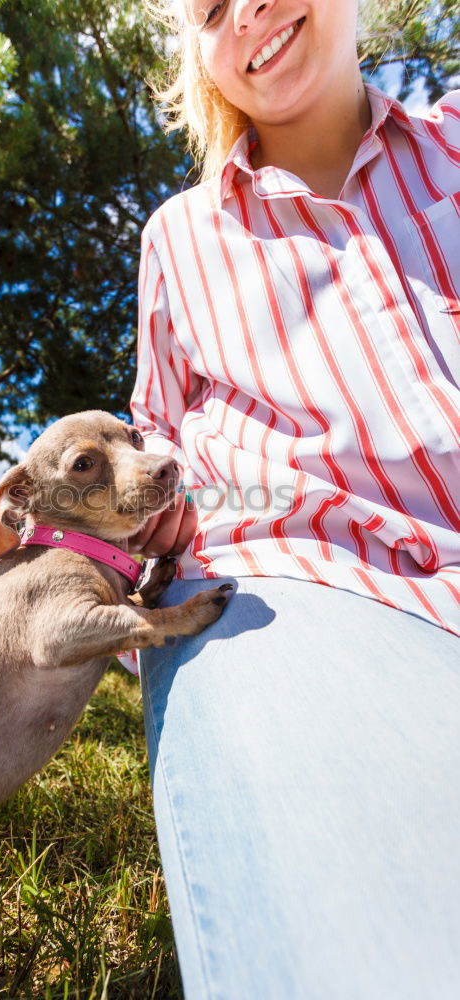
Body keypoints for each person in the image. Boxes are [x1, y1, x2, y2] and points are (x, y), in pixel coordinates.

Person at [123, 2, 460, 997]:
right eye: (211, 10)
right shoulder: (180, 240)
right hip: (295, 591)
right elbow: (157, 449)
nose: (249, 13)